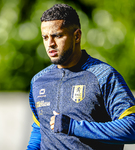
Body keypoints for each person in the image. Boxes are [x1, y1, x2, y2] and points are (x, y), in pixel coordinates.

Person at [27, 4, 135, 150]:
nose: (50, 44)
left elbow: (132, 127)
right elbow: (40, 130)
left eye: (57, 36)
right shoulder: (38, 80)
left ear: (77, 36)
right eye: (45, 37)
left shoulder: (104, 76)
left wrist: (74, 127)